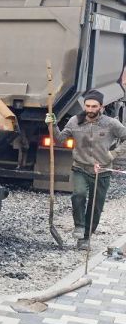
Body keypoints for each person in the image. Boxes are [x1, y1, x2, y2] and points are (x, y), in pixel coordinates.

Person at [51, 89, 126, 248]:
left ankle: (85, 238)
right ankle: (79, 226)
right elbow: (60, 139)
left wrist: (114, 154)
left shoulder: (111, 124)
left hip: (102, 171)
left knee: (95, 206)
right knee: (78, 194)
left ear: (102, 107)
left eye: (94, 106)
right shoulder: (74, 121)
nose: (90, 109)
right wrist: (52, 125)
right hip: (80, 167)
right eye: (88, 106)